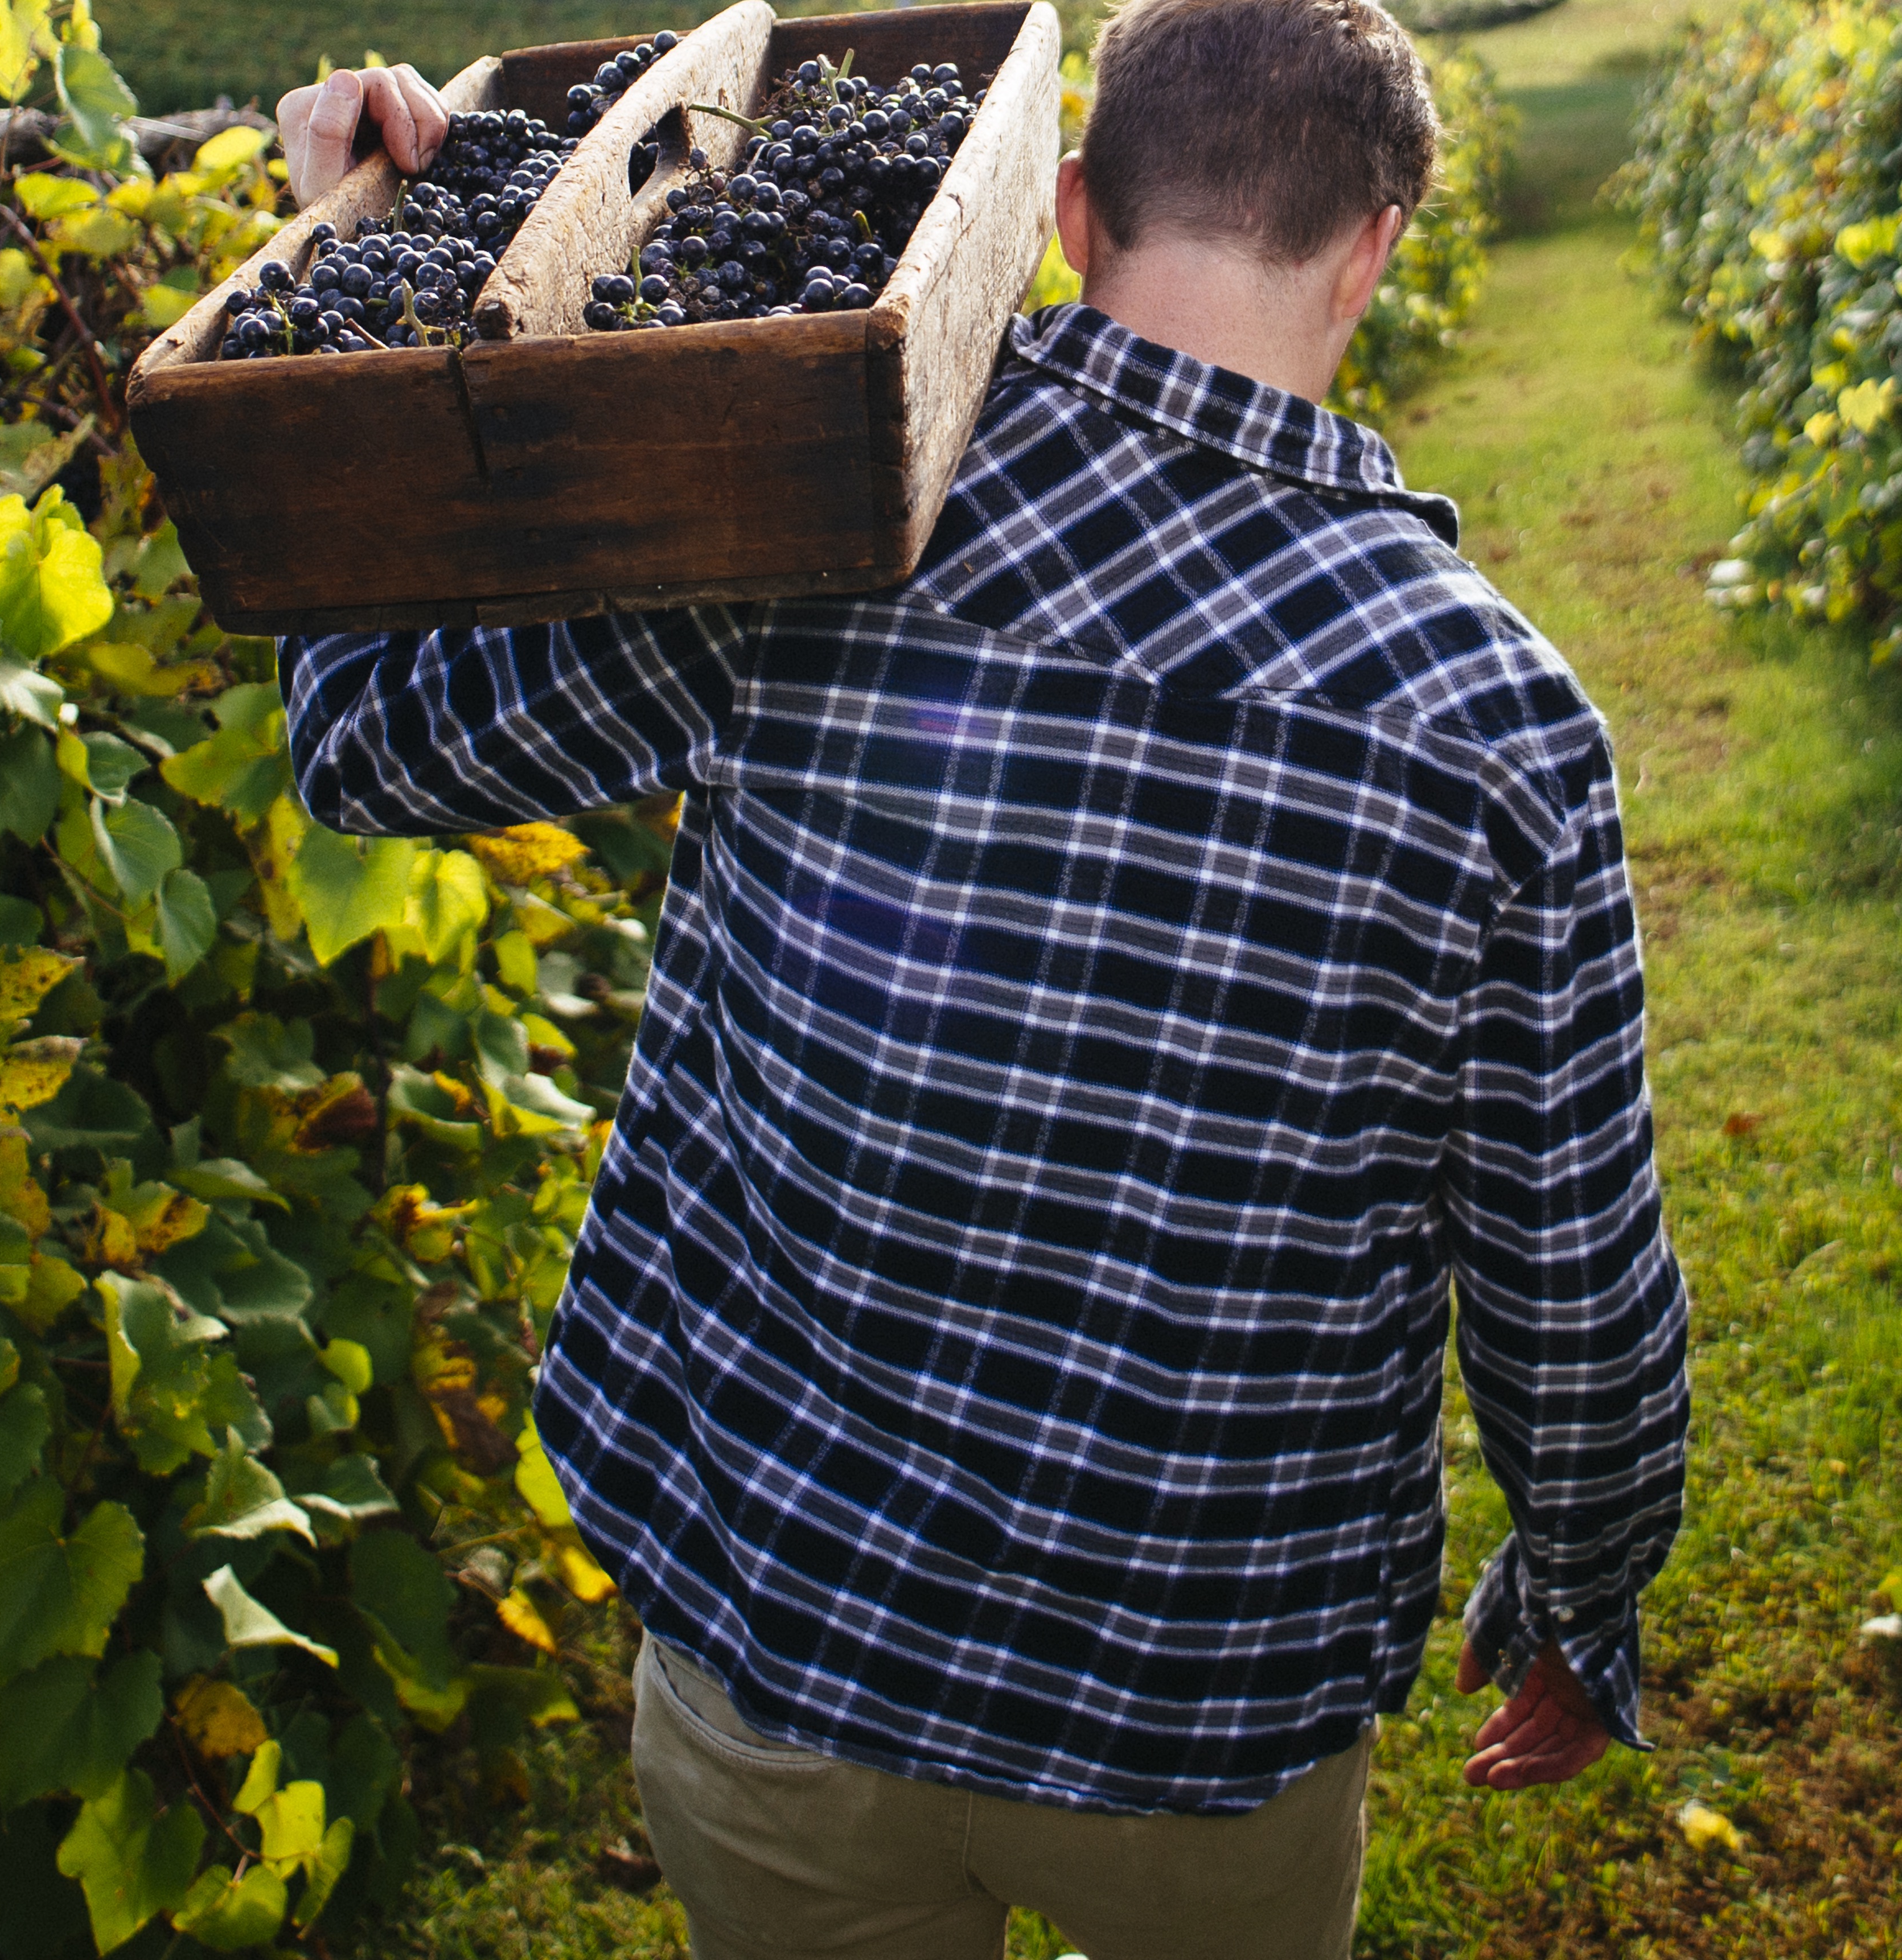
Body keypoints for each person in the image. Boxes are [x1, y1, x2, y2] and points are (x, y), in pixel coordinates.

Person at [272, 0, 1689, 1952]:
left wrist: (348, 276)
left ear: (1077, 207)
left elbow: (381, 745)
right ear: (1377, 248)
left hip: (781, 1636)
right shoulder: (1498, 730)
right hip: (1197, 1710)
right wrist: (1584, 1582)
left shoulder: (813, 489)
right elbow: (1572, 1271)